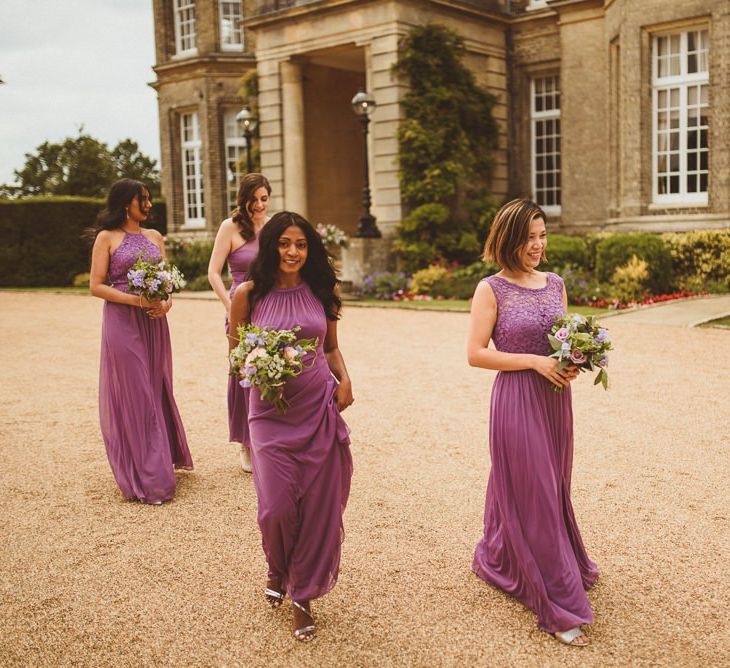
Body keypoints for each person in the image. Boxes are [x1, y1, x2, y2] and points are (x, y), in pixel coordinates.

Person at [466, 198, 598, 646]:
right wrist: (534, 363)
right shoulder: (491, 289)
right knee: (535, 488)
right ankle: (558, 604)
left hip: (554, 399)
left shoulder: (555, 282)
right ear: (508, 239)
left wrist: (572, 359)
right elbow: (476, 353)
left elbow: (561, 337)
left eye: (542, 236)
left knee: (551, 484)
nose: (538, 245)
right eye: (529, 238)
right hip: (517, 399)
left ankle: (505, 555)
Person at [228, 211, 354, 642]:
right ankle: (278, 567)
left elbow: (331, 348)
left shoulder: (322, 291)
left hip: (316, 406)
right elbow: (235, 353)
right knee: (276, 507)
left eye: (301, 245)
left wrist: (346, 379)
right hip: (267, 413)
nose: (293, 252)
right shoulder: (248, 294)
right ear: (271, 247)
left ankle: (302, 593)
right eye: (285, 244)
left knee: (318, 504)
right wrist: (257, 364)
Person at [89, 178, 193, 504]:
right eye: (142, 200)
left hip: (153, 323)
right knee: (136, 391)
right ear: (125, 204)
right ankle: (148, 474)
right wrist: (136, 301)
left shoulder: (154, 237)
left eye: (148, 199)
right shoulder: (106, 238)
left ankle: (161, 458)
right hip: (122, 321)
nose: (148, 205)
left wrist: (165, 303)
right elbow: (96, 286)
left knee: (155, 384)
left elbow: (167, 283)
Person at [208, 173, 271, 473]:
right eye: (253, 199)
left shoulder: (273, 227)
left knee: (270, 368)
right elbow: (213, 272)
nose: (258, 205)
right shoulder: (229, 227)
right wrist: (229, 305)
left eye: (263, 199)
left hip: (270, 308)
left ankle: (268, 437)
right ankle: (246, 443)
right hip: (239, 308)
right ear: (243, 199)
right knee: (243, 371)